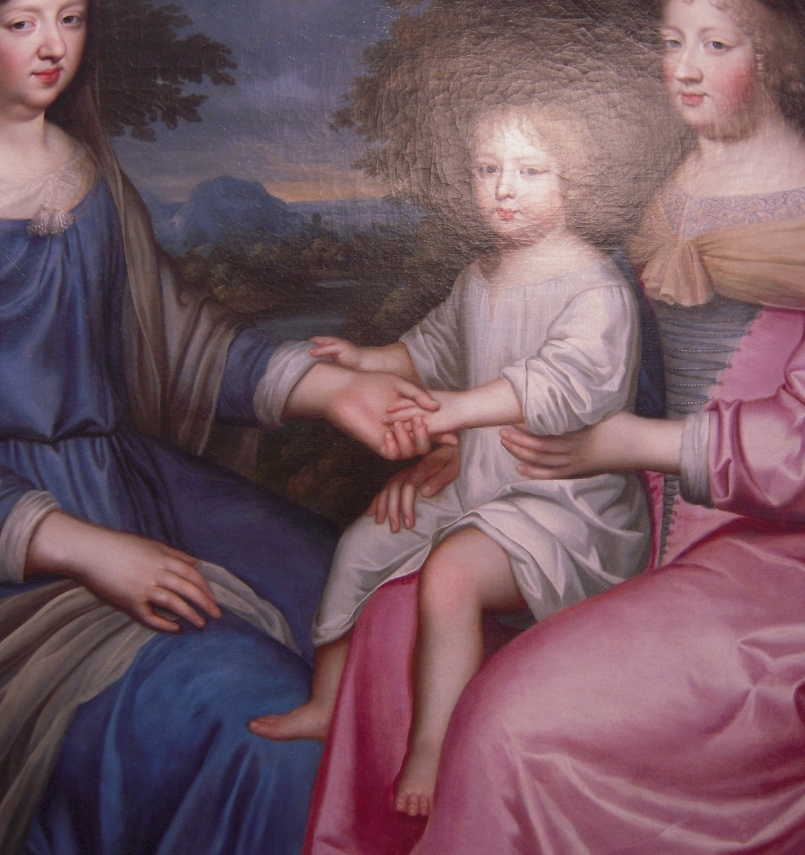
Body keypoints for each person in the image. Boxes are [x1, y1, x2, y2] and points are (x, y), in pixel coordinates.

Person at [303, 0, 805, 855]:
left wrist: (631, 441)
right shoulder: (675, 190)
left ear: (776, 59)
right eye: (672, 42)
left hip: (801, 562)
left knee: (510, 719)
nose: (684, 67)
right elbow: (596, 361)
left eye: (716, 44)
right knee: (392, 628)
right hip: (641, 513)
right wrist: (467, 448)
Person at [0, 0, 435, 855]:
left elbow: (175, 342)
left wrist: (332, 389)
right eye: (22, 23)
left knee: (374, 606)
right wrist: (83, 547)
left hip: (127, 482)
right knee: (247, 714)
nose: (52, 45)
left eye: (72, 20)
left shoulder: (86, 177)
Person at [249, 106, 649, 816]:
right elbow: (433, 350)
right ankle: (326, 702)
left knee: (452, 573)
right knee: (364, 541)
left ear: (575, 184)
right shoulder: (480, 276)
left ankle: (434, 744)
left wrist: (458, 411)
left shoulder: (594, 286)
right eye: (487, 170)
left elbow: (562, 385)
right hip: (480, 486)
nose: (504, 187)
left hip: (565, 506)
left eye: (530, 171)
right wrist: (367, 359)